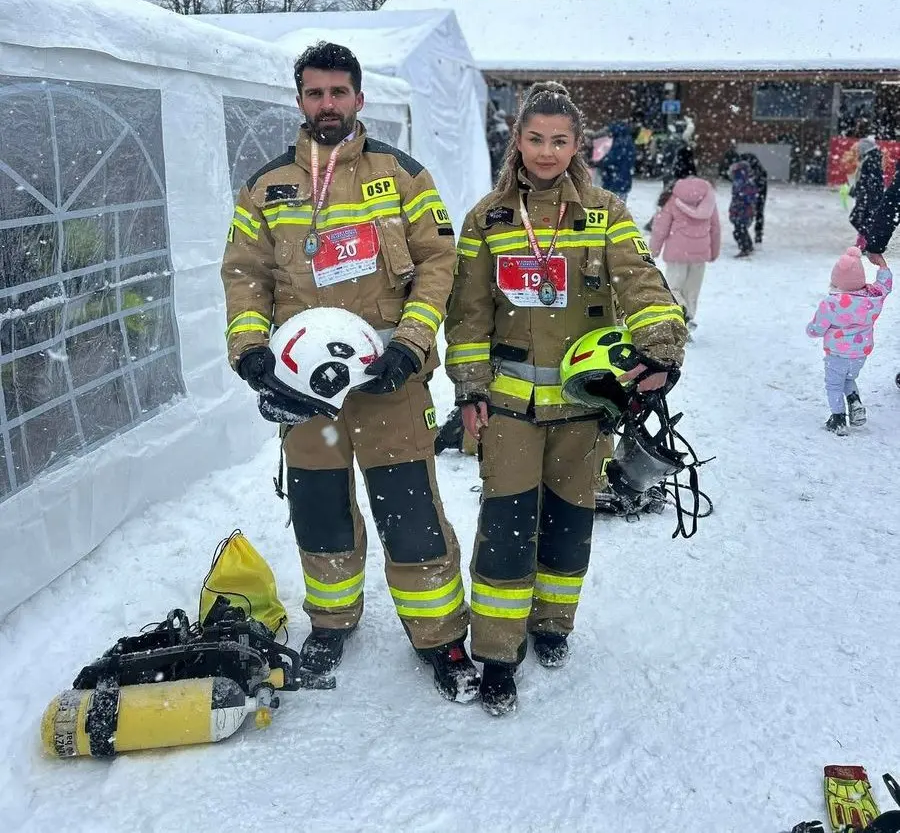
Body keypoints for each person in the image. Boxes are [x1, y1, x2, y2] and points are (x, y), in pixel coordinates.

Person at [220, 41, 480, 702]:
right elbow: (244, 275)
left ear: (359, 99)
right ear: (299, 99)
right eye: (315, 92)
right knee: (320, 512)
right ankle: (332, 622)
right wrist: (252, 354)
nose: (327, 104)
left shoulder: (403, 175)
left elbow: (439, 266)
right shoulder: (266, 187)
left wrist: (412, 346)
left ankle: (439, 635)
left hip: (389, 383)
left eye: (339, 92)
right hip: (307, 391)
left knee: (411, 515)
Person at [444, 81, 687, 715]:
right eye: (534, 138)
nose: (546, 152)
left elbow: (642, 282)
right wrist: (470, 388)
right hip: (508, 409)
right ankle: (497, 653)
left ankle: (552, 623)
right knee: (505, 529)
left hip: (585, 409)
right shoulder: (487, 220)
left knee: (570, 522)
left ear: (578, 145)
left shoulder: (605, 212)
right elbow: (468, 315)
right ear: (515, 141)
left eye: (559, 140)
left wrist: (662, 350)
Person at [806, 247, 892, 435]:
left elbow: (817, 329)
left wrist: (810, 330)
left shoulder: (831, 303)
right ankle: (854, 401)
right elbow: (885, 285)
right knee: (849, 378)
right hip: (861, 352)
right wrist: (882, 265)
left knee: (834, 385)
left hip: (837, 353)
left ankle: (838, 419)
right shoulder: (872, 297)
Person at [650, 172, 721, 329]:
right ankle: (688, 316)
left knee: (674, 287)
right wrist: (714, 251)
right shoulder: (708, 200)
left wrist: (653, 250)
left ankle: (680, 313)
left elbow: (661, 228)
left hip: (676, 252)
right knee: (692, 290)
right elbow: (715, 228)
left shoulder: (673, 199)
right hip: (700, 254)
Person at [720, 145, 767, 244]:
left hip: (759, 184)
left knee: (758, 209)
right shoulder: (738, 166)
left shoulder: (745, 165)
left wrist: (753, 188)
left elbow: (757, 176)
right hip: (753, 186)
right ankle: (746, 233)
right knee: (751, 211)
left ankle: (757, 235)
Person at [850, 137, 885, 244]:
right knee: (862, 219)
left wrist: (867, 195)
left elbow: (873, 181)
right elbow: (866, 179)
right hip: (867, 196)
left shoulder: (871, 160)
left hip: (868, 197)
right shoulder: (870, 158)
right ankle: (865, 241)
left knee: (858, 218)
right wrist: (856, 189)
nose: (858, 150)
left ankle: (866, 241)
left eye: (860, 148)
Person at [599, 121, 636, 201]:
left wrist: (603, 162)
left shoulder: (618, 142)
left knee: (612, 206)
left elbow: (612, 159)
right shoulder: (629, 140)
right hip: (624, 180)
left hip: (614, 180)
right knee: (620, 206)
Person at [729, 160, 759, 258]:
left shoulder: (745, 183)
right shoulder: (741, 182)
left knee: (740, 230)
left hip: (743, 210)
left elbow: (750, 196)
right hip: (739, 210)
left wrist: (743, 201)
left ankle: (745, 248)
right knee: (741, 229)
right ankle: (748, 246)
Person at [486, 104, 511, 186]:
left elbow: (490, 140)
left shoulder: (498, 130)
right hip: (502, 156)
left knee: (494, 174)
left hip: (496, 155)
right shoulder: (505, 129)